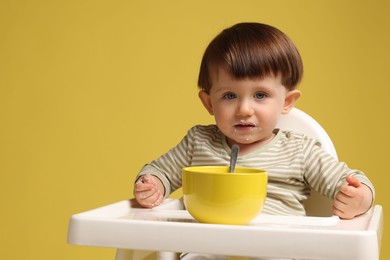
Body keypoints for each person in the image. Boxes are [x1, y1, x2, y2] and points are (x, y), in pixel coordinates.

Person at [133, 22, 374, 221]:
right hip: (207, 245)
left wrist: (360, 197)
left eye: (260, 95)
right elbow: (159, 170)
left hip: (274, 247)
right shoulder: (198, 142)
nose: (244, 109)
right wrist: (152, 185)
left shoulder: (299, 151)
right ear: (208, 103)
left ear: (287, 102)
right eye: (229, 96)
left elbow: (347, 180)